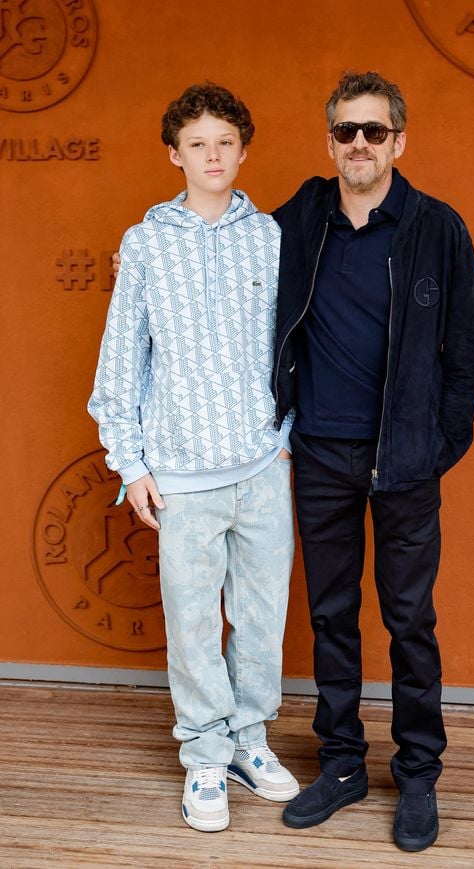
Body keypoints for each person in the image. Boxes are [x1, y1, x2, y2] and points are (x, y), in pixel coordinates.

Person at [271, 71, 474, 852]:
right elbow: (225, 259)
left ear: (400, 140)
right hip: (321, 449)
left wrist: (434, 449)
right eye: (346, 131)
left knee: (408, 619)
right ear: (330, 142)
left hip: (404, 460)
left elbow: (465, 356)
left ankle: (418, 772)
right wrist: (142, 268)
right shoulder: (302, 218)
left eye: (375, 131)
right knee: (330, 615)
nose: (359, 144)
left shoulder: (437, 228)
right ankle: (342, 762)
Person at [88, 82, 298, 834]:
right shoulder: (145, 244)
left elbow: (295, 340)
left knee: (262, 615)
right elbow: (122, 358)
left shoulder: (272, 237)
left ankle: (249, 739)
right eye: (197, 143)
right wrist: (131, 464)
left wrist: (285, 437)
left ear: (244, 150)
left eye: (225, 142)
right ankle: (204, 753)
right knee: (192, 619)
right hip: (180, 472)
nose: (212, 155)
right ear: (174, 154)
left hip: (262, 463)